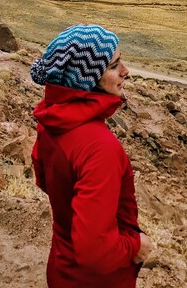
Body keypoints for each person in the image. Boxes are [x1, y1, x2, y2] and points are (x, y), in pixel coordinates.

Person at [31, 24, 155, 287]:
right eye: (113, 66)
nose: (125, 71)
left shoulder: (50, 118)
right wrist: (135, 246)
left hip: (61, 267)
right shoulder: (100, 148)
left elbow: (45, 181)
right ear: (84, 79)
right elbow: (94, 252)